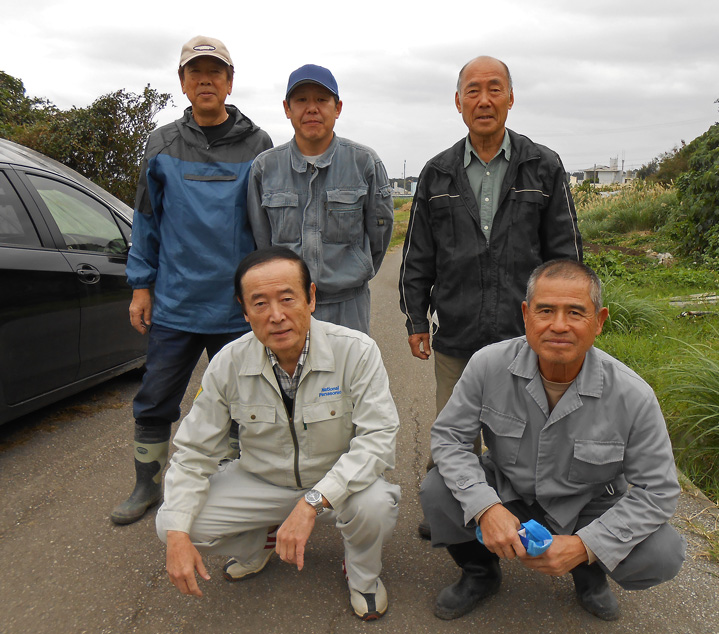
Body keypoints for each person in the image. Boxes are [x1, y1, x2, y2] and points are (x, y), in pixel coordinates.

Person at [419, 260, 686, 621]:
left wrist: (587, 545)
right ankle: (479, 571)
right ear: (526, 315)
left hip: (587, 506)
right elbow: (449, 438)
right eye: (546, 310)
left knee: (663, 552)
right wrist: (486, 507)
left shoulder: (633, 395)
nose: (558, 325)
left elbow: (658, 490)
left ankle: (589, 573)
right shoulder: (487, 365)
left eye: (576, 312)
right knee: (437, 489)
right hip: (509, 492)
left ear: (599, 322)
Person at [155, 247, 400, 621]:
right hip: (261, 480)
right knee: (174, 521)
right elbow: (193, 453)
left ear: (311, 298)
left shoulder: (357, 351)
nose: (276, 315)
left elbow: (378, 439)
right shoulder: (228, 363)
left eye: (287, 298)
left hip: (336, 483)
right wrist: (176, 536)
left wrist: (312, 502)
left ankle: (363, 577)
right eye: (259, 303)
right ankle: (259, 542)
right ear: (244, 310)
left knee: (376, 505)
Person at [398, 55, 583, 538]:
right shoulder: (436, 173)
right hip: (457, 337)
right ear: (458, 103)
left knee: (532, 440)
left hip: (528, 339)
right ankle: (453, 523)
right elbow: (418, 255)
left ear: (510, 97)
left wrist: (570, 323)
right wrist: (416, 319)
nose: (484, 100)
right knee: (452, 438)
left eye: (494, 89)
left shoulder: (543, 166)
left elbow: (566, 258)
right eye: (473, 91)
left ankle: (540, 522)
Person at [110, 36, 273, 525]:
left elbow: (266, 224)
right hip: (176, 305)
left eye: (215, 72)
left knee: (247, 405)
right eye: (195, 72)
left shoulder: (258, 144)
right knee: (155, 397)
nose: (205, 80)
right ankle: (147, 486)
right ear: (182, 82)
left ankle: (242, 488)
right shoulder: (160, 144)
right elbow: (146, 220)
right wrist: (141, 286)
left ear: (229, 82)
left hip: (236, 309)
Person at [247, 64, 393, 335]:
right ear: (287, 108)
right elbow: (262, 242)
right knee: (290, 378)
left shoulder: (364, 163)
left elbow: (380, 235)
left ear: (337, 108)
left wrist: (355, 267)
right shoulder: (265, 168)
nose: (311, 108)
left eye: (321, 100)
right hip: (287, 309)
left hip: (348, 305)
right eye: (301, 100)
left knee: (349, 376)